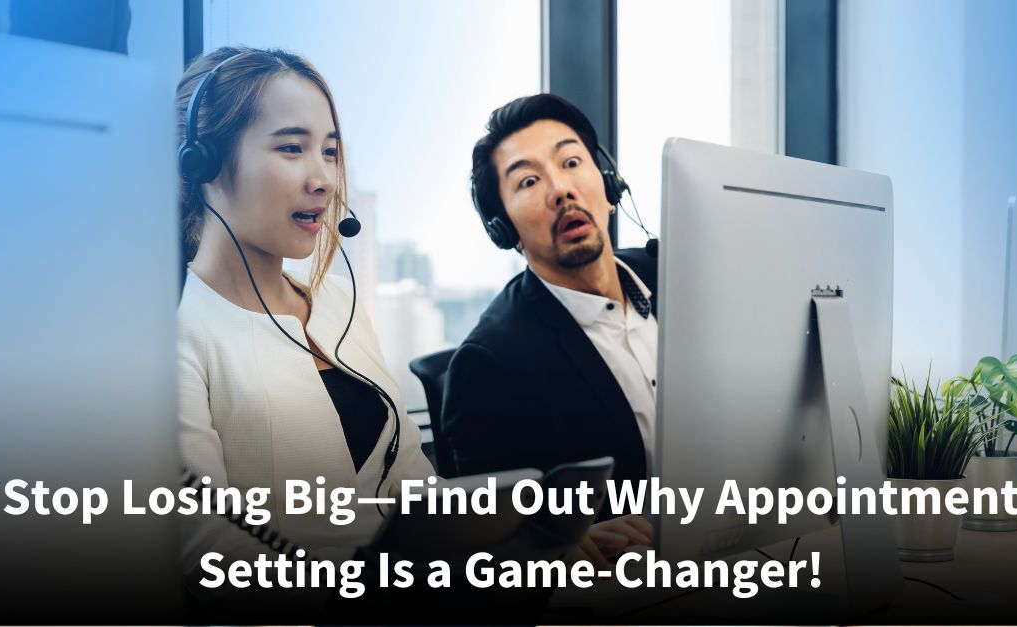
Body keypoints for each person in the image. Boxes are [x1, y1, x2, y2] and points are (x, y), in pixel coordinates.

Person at [174, 46, 434, 572]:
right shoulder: (174, 330)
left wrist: (530, 541)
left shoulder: (337, 303)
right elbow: (212, 550)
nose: (324, 180)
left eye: (330, 152)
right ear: (204, 161)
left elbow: (415, 482)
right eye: (292, 148)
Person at [443, 94, 659, 537]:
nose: (560, 189)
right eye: (527, 182)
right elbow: (490, 544)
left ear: (610, 186)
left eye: (572, 162)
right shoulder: (489, 365)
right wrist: (557, 549)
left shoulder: (679, 275)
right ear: (505, 230)